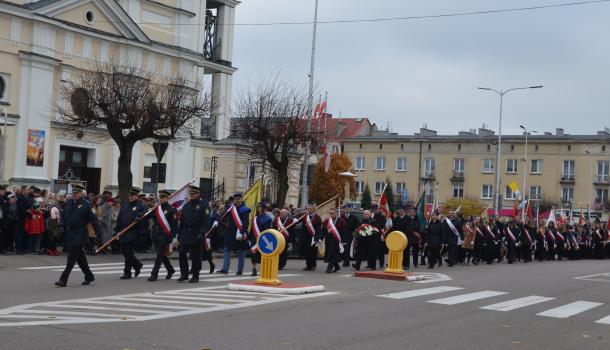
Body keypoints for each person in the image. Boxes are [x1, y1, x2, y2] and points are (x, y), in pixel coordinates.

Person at [55, 184, 101, 287]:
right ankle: (89, 276)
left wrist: (99, 233)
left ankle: (63, 279)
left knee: (71, 258)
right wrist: (61, 225)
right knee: (80, 258)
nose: (74, 195)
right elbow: (63, 216)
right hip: (70, 233)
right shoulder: (69, 202)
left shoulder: (86, 204)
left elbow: (93, 220)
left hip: (80, 234)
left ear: (81, 193)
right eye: (73, 193)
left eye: (76, 193)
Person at [177, 186, 209, 283]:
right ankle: (184, 274)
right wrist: (179, 233)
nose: (192, 195)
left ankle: (195, 275)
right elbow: (182, 221)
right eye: (191, 193)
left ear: (198, 194)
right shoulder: (186, 206)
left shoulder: (203, 205)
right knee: (182, 253)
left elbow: (205, 221)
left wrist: (202, 233)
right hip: (186, 233)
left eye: (194, 193)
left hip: (197, 233)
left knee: (195, 256)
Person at [114, 187, 147, 279]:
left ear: (137, 196)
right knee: (125, 252)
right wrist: (117, 230)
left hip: (133, 232)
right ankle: (137, 265)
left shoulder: (141, 205)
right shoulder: (125, 205)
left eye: (132, 195)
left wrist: (139, 216)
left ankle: (127, 272)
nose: (130, 197)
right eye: (129, 195)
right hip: (124, 231)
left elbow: (144, 214)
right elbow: (119, 219)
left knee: (128, 252)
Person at [148, 190, 177, 281]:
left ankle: (154, 274)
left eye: (164, 197)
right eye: (161, 197)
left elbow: (174, 225)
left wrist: (171, 236)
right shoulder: (157, 209)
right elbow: (148, 216)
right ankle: (170, 269)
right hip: (156, 233)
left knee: (159, 254)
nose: (162, 199)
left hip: (165, 234)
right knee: (162, 254)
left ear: (167, 198)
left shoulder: (171, 209)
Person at [218, 192, 249, 275]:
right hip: (230, 232)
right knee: (226, 249)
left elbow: (245, 223)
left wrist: (242, 233)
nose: (237, 200)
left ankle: (239, 270)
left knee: (241, 252)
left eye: (238, 199)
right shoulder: (231, 208)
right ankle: (225, 269)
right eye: (235, 199)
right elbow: (223, 215)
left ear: (241, 199)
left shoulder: (244, 209)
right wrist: (216, 220)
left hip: (239, 233)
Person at [249, 202, 272, 276]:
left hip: (263, 238)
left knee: (262, 254)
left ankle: (263, 269)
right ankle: (254, 269)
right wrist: (249, 238)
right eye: (258, 207)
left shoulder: (268, 218)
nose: (259, 209)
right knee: (253, 253)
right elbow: (252, 228)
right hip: (254, 238)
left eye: (260, 207)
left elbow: (267, 230)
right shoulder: (255, 218)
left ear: (264, 208)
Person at [322, 207, 347, 273]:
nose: (331, 214)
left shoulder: (341, 221)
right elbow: (323, 230)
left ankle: (329, 268)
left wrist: (343, 241)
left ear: (336, 213)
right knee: (330, 253)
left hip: (336, 240)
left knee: (333, 253)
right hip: (328, 240)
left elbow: (344, 232)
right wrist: (320, 238)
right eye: (330, 213)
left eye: (332, 213)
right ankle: (337, 266)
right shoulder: (327, 221)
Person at [301, 203, 322, 271]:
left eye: (310, 209)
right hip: (305, 236)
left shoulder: (317, 217)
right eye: (308, 209)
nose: (309, 210)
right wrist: (295, 220)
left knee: (313, 252)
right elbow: (300, 222)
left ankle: (313, 265)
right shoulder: (305, 216)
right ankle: (308, 265)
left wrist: (317, 237)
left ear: (313, 209)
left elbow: (318, 229)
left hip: (313, 237)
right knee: (307, 251)